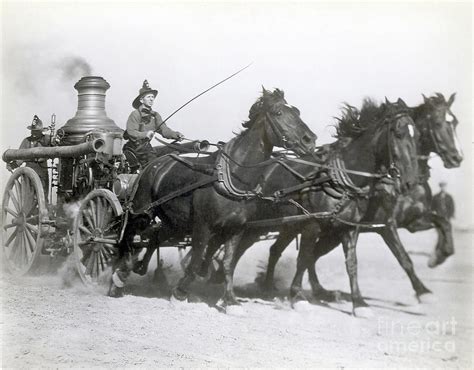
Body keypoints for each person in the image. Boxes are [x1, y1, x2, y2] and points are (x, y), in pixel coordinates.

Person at [123, 80, 184, 172]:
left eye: (153, 97)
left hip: (147, 148)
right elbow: (131, 132)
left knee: (176, 148)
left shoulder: (155, 115)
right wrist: (145, 134)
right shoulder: (135, 114)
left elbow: (164, 130)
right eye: (148, 97)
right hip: (135, 149)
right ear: (141, 100)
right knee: (155, 165)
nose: (152, 99)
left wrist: (176, 135)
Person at [7, 115, 51, 197]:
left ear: (41, 131)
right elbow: (20, 157)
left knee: (43, 196)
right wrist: (12, 165)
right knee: (28, 197)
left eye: (36, 131)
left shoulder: (47, 139)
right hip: (29, 172)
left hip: (42, 171)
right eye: (33, 131)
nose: (33, 133)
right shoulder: (26, 141)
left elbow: (54, 148)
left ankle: (44, 208)